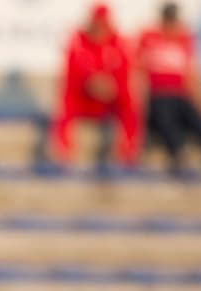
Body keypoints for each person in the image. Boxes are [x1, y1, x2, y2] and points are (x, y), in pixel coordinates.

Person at [137, 2, 201, 175]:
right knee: (166, 118)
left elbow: (192, 76)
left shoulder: (184, 39)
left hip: (180, 96)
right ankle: (177, 154)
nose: (171, 23)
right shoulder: (149, 37)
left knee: (197, 121)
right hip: (158, 95)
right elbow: (137, 71)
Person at [51, 4, 141, 170]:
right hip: (84, 99)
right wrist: (90, 82)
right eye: (97, 23)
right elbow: (72, 76)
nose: (100, 28)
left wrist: (110, 86)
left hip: (109, 100)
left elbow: (124, 75)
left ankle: (128, 155)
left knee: (130, 104)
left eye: (103, 23)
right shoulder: (78, 41)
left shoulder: (119, 42)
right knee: (65, 105)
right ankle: (63, 155)